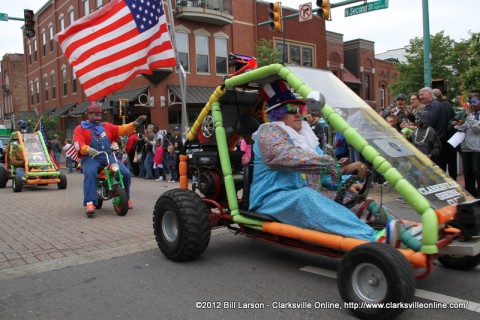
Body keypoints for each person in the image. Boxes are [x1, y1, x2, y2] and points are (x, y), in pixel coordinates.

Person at [249, 80, 399, 243]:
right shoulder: (268, 132)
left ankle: (405, 231)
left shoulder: (306, 139)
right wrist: (333, 165)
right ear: (277, 114)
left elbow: (325, 177)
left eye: (300, 109)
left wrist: (346, 182)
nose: (298, 114)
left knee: (361, 202)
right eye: (291, 110)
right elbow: (282, 156)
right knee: (306, 196)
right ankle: (373, 239)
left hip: (308, 196)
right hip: (272, 199)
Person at [72, 102, 146, 215]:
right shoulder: (80, 128)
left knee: (125, 173)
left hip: (107, 156)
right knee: (91, 173)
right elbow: (78, 143)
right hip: (91, 157)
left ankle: (126, 198)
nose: (99, 118)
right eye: (96, 115)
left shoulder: (106, 126)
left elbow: (122, 129)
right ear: (89, 115)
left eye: (100, 115)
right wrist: (87, 149)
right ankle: (90, 202)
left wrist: (134, 124)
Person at [454, 95, 480, 197]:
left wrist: (469, 117)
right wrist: (459, 124)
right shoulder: (469, 114)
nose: (473, 104)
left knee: (477, 171)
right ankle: (470, 193)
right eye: (471, 102)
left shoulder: (474, 116)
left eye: (475, 102)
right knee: (468, 172)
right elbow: (462, 128)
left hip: (477, 148)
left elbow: (477, 129)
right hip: (466, 148)